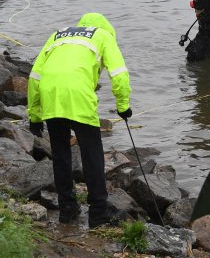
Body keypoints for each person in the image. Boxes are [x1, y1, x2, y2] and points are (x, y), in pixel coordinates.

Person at [27, 12, 132, 229]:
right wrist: (123, 106)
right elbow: (119, 73)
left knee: (61, 155)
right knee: (92, 156)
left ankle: (67, 210)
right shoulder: (103, 36)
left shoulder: (58, 35)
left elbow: (35, 75)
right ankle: (98, 215)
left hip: (50, 95)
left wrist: (34, 116)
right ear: (107, 28)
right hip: (78, 97)